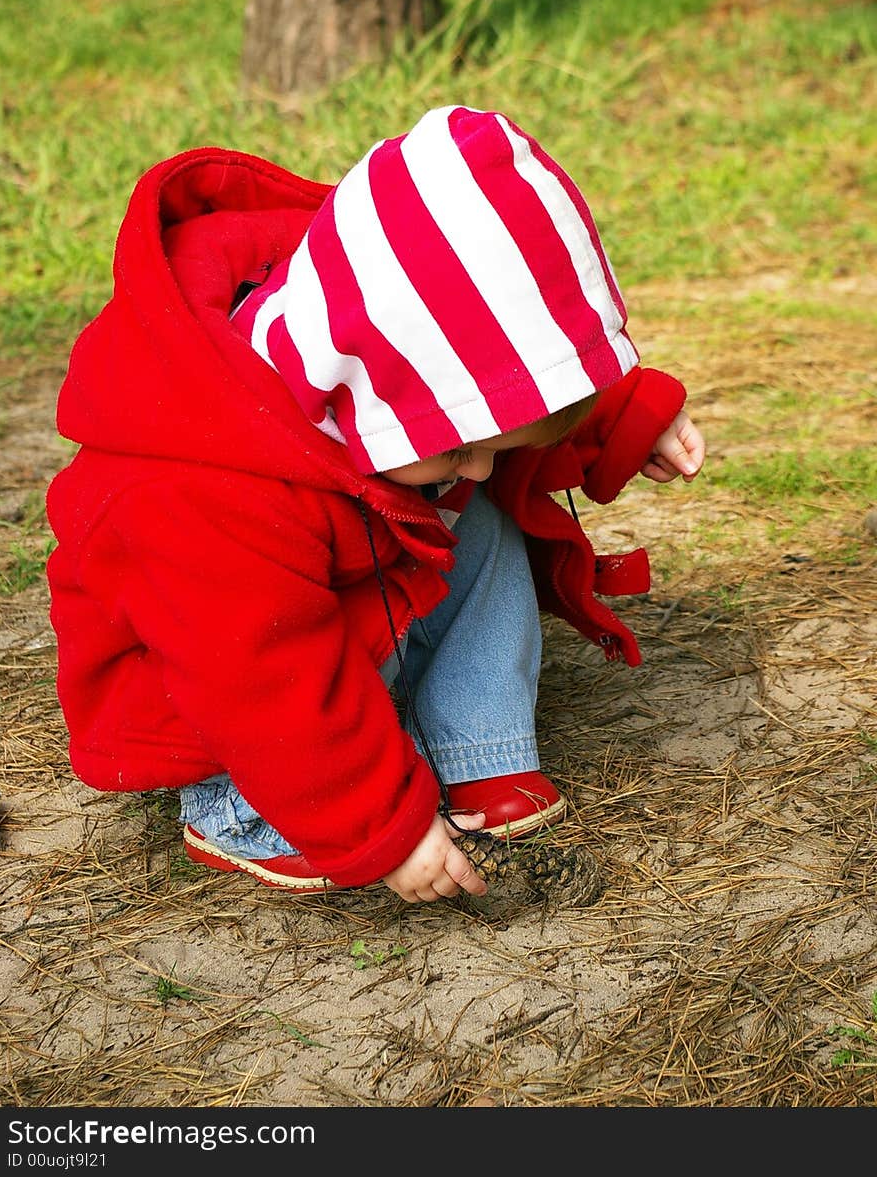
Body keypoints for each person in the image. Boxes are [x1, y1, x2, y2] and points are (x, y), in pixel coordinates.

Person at [46, 104, 705, 907]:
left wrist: (624, 415)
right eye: (459, 441)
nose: (483, 460)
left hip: (348, 592)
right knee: (275, 675)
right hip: (214, 686)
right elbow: (264, 675)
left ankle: (477, 741)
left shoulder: (379, 327)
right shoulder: (203, 494)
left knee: (483, 518)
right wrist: (378, 824)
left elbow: (504, 354)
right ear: (358, 381)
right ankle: (244, 812)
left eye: (489, 437)